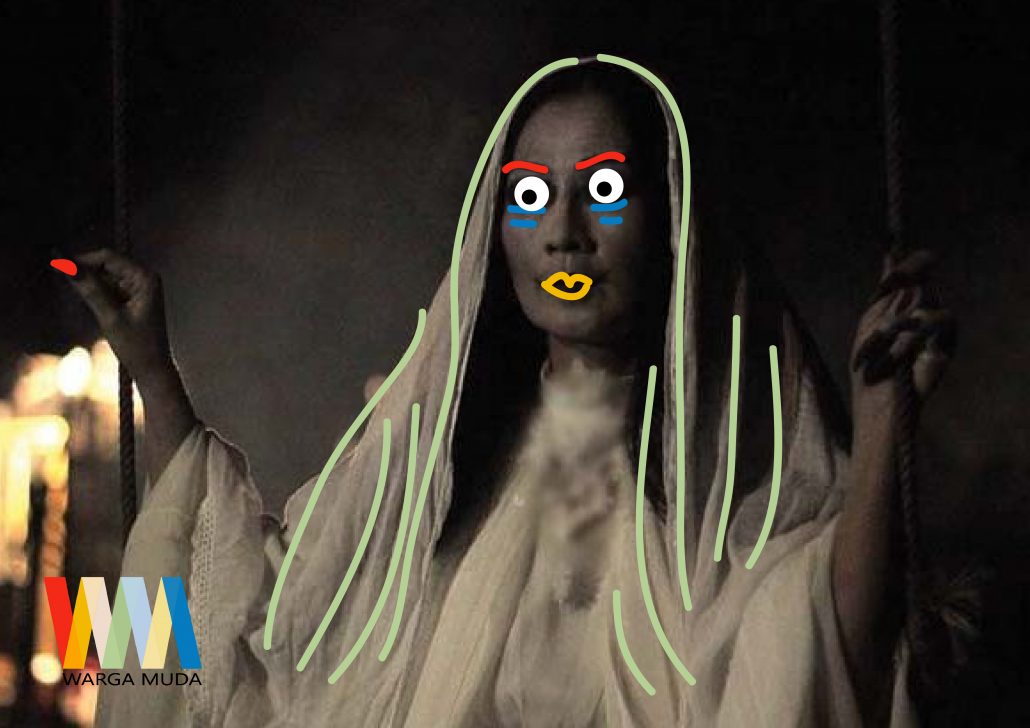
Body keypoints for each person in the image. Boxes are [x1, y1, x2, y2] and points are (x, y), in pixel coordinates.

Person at [69, 59, 954, 726]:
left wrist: (883, 422)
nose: (564, 232)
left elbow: (826, 652)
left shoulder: (732, 476)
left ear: (670, 217)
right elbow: (254, 626)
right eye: (530, 196)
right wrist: (154, 374)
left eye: (603, 190)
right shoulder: (437, 460)